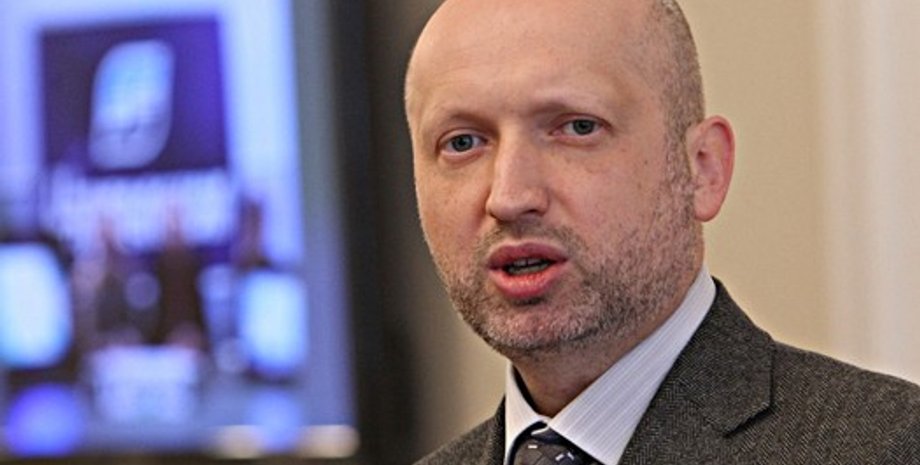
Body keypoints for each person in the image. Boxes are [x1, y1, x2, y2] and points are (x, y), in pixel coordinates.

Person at [403, 0, 920, 464]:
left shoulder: (888, 446)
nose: (509, 196)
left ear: (702, 169)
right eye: (462, 142)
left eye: (578, 127)